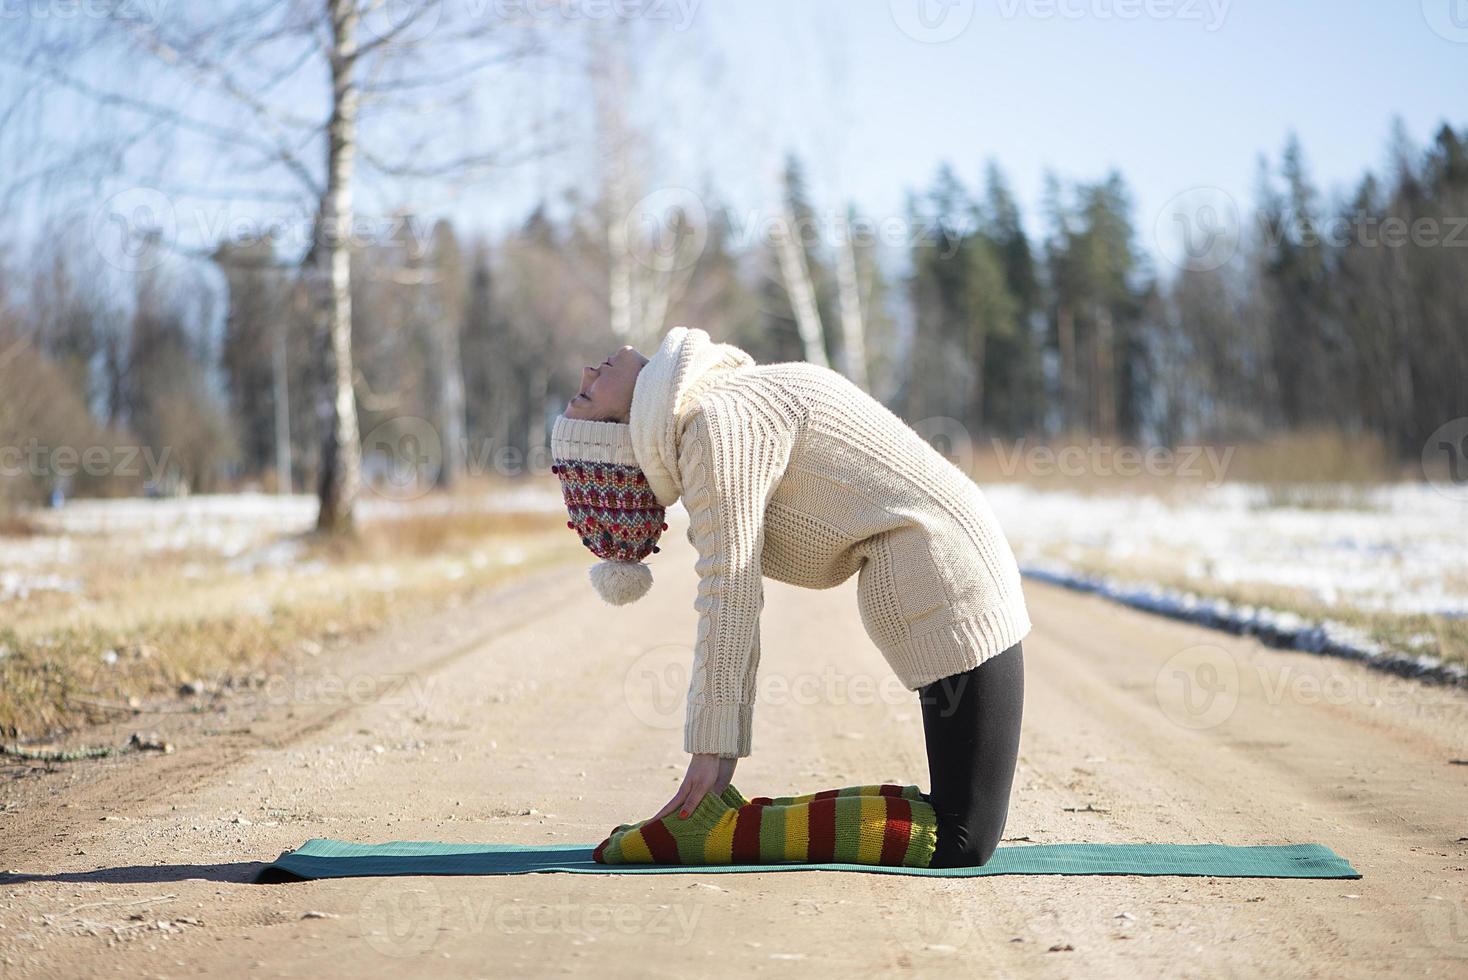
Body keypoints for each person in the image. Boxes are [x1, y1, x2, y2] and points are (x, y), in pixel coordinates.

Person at [550, 327, 1029, 868]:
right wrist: (714, 749)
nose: (590, 371)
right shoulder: (713, 424)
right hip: (947, 578)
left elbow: (730, 583)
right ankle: (707, 829)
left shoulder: (719, 405)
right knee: (960, 836)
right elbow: (729, 590)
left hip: (950, 568)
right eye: (586, 396)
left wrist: (716, 746)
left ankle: (711, 829)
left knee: (960, 827)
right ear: (622, 434)